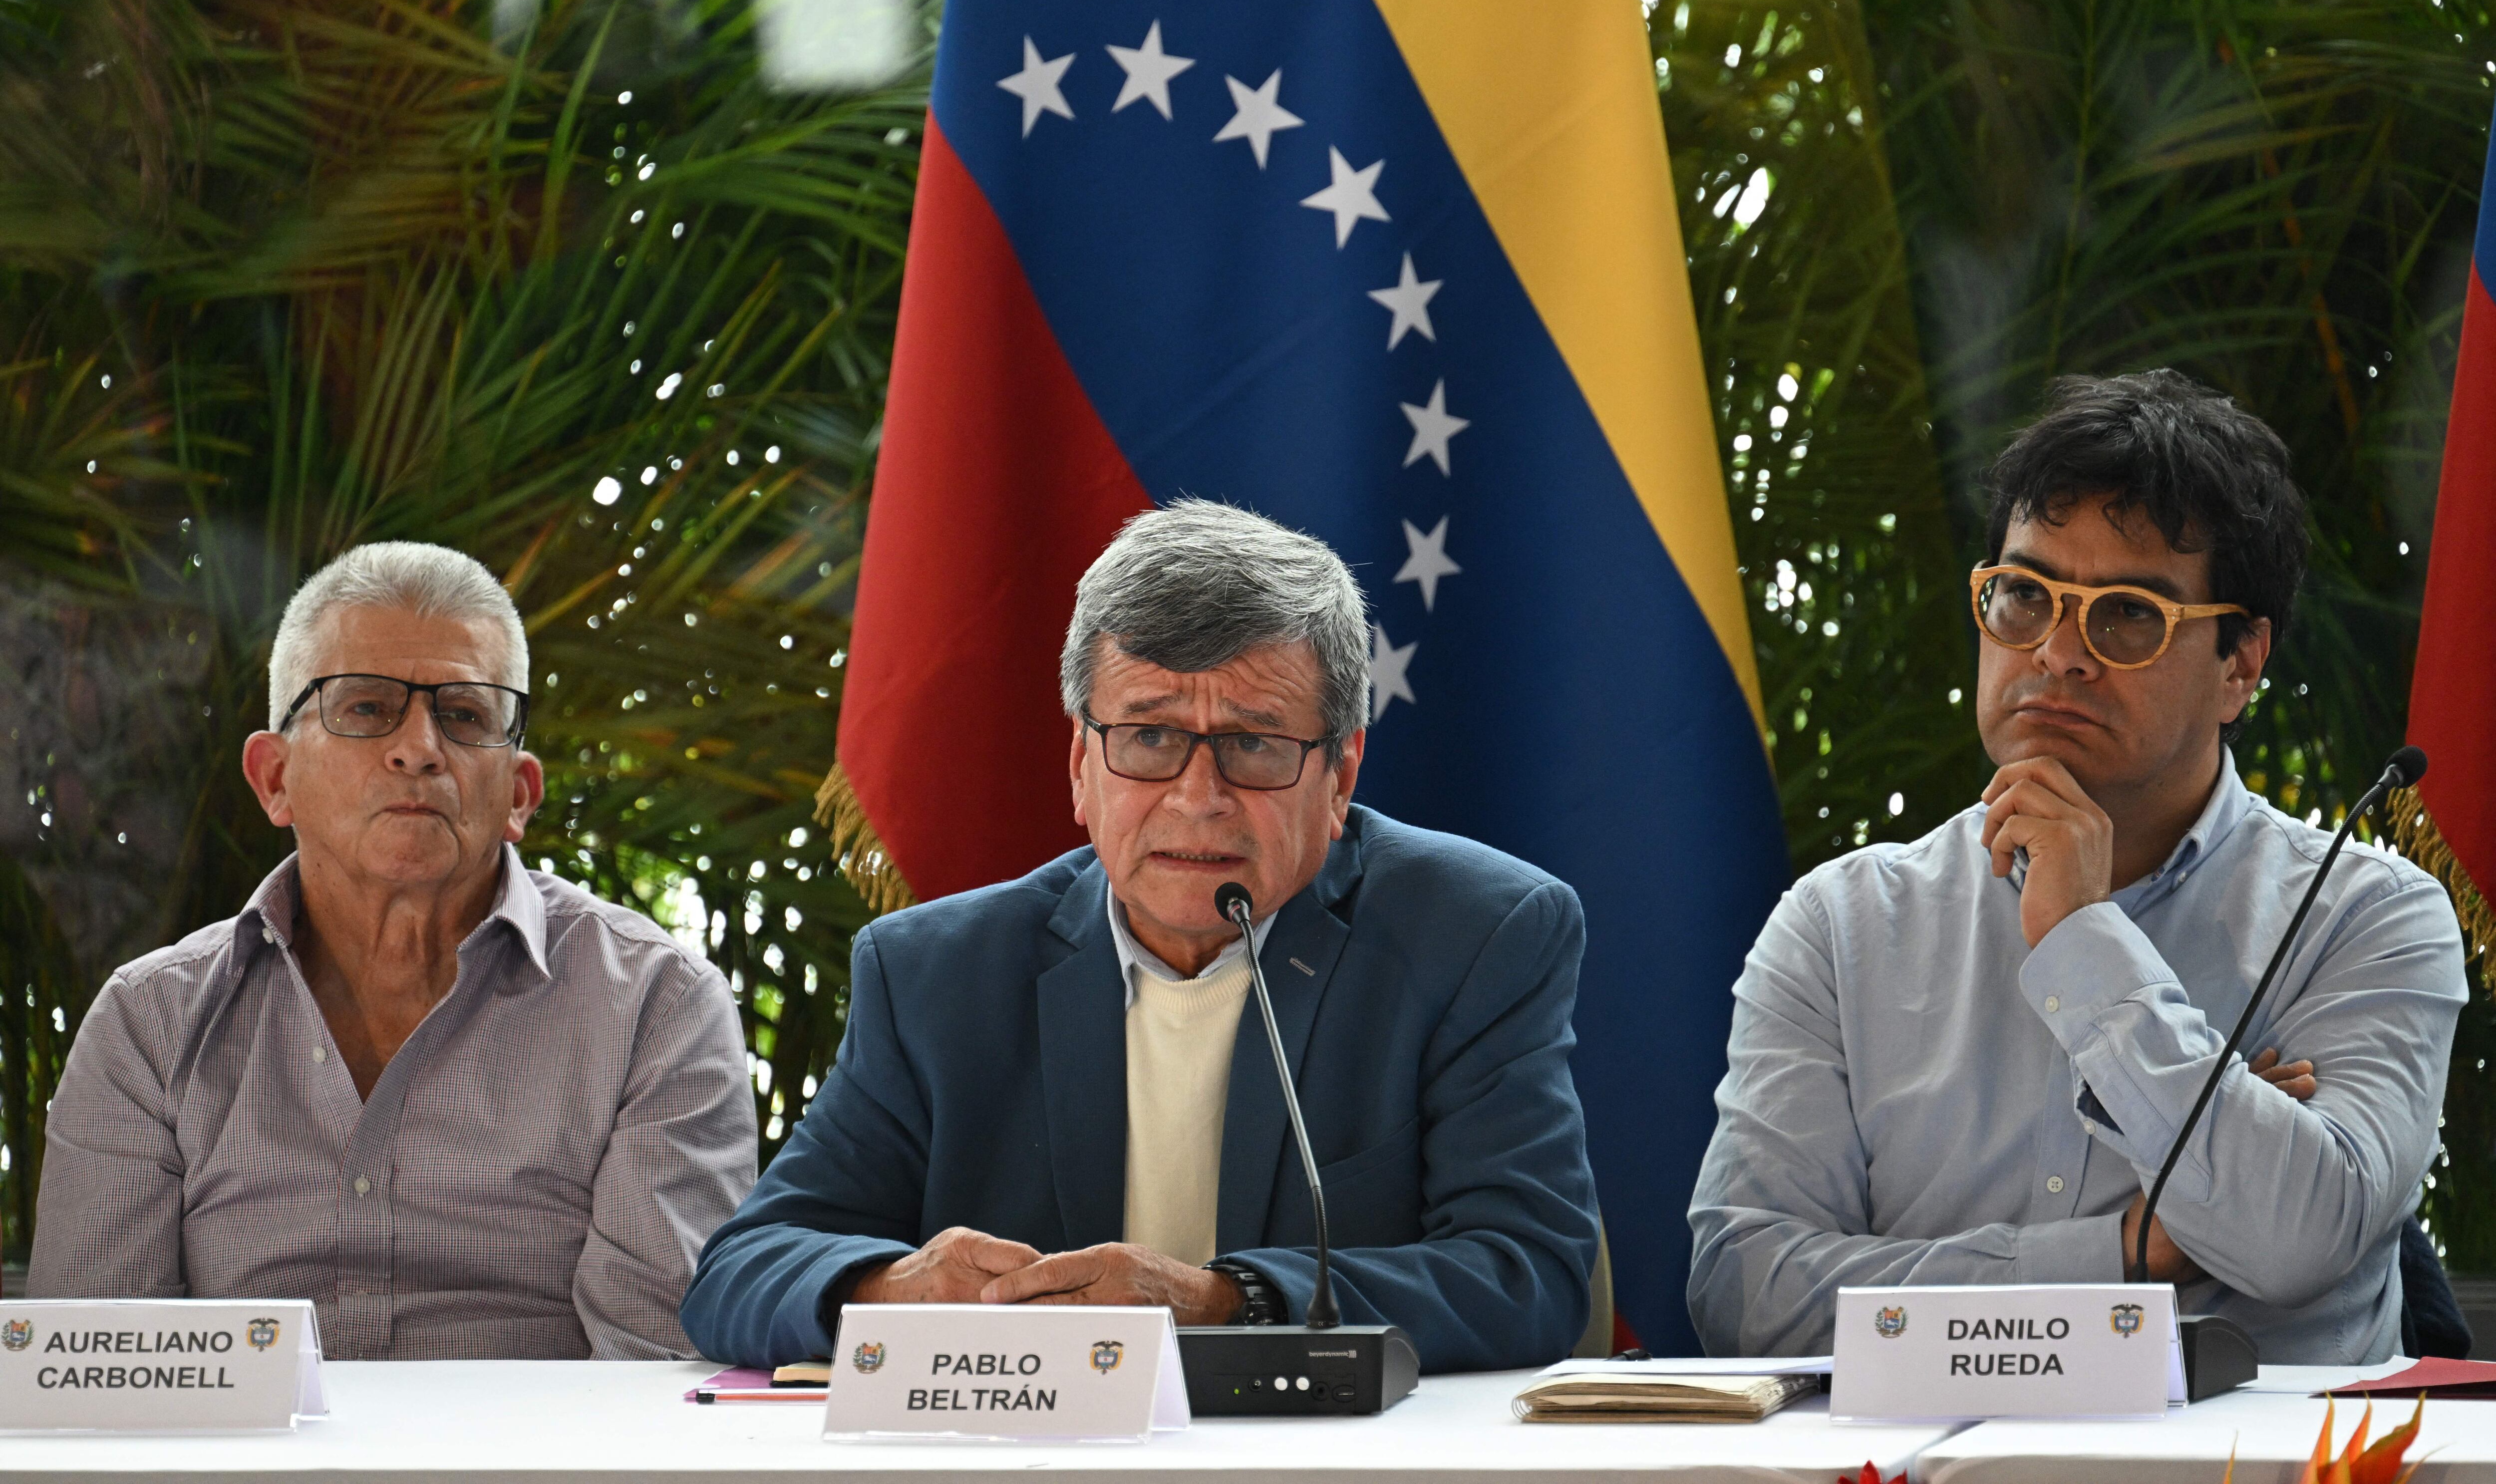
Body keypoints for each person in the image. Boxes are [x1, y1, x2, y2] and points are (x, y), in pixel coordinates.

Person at [679, 500, 1599, 1373]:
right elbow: (741, 1270)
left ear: (1340, 775)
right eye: (1151, 737)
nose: (1199, 798)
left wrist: (1228, 1301)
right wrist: (892, 1288)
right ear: (1082, 766)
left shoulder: (1475, 935)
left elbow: (1527, 1273)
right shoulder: (936, 973)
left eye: (1254, 743)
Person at [1689, 371, 2466, 1364]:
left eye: (2129, 613)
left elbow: (2297, 1239)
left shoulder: (2369, 916)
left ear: (2239, 665)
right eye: (2024, 595)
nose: (2058, 652)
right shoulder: (1841, 924)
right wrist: (2127, 1247)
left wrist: (2081, 940)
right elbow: (1746, 1294)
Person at [30, 542, 755, 1359]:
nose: (419, 747)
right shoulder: (149, 1025)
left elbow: (651, 1376)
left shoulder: (656, 1008)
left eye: (465, 715)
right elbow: (99, 1373)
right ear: (275, 779)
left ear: (519, 795)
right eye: (367, 707)